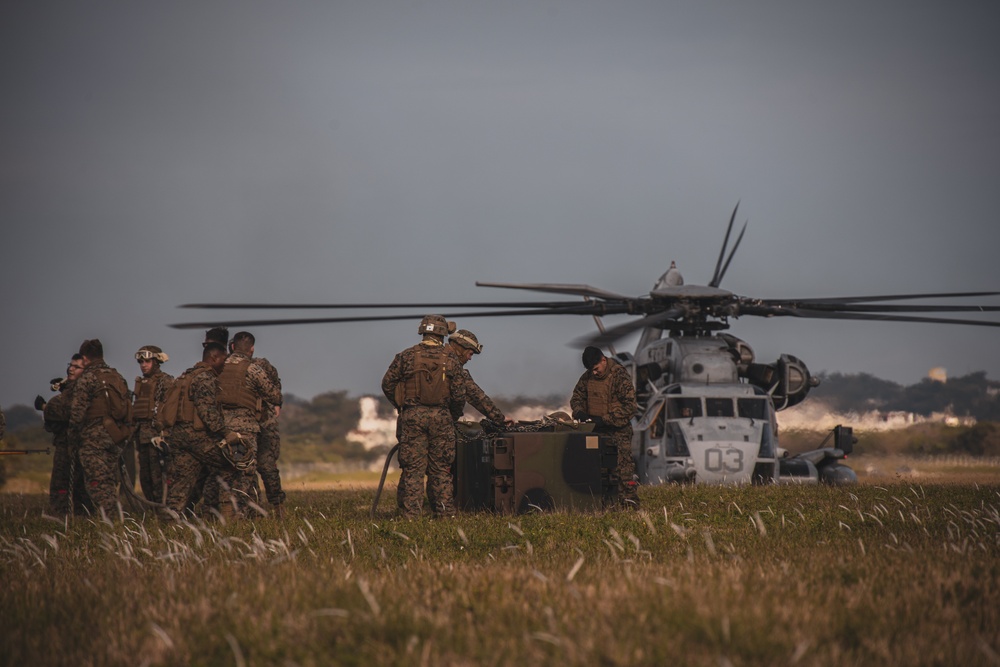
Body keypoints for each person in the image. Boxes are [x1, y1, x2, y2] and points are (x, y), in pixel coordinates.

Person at [382, 314, 466, 519]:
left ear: (423, 331)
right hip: (441, 418)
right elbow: (459, 394)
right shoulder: (451, 359)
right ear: (443, 334)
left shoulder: (406, 356)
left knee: (413, 470)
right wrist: (450, 415)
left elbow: (387, 384)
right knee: (441, 470)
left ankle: (411, 517)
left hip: (412, 417)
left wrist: (402, 406)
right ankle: (445, 516)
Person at [161, 342, 244, 519]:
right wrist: (226, 433)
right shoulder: (206, 377)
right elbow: (207, 412)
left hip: (179, 437)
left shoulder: (187, 376)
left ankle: (170, 522)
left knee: (181, 483)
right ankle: (225, 514)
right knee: (232, 463)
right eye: (223, 359)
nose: (225, 363)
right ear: (213, 358)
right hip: (197, 437)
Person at [217, 331, 283, 518]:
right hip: (246, 428)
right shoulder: (253, 369)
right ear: (251, 349)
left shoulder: (217, 367)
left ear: (232, 347)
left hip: (220, 429)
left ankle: (226, 514)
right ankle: (242, 515)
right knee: (245, 473)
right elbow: (275, 395)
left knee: (226, 472)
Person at [570, 346, 640, 508]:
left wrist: (605, 420)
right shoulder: (588, 377)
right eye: (591, 370)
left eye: (596, 369)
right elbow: (576, 397)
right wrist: (579, 412)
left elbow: (630, 407)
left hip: (618, 433)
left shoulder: (619, 376)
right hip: (595, 432)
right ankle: (602, 505)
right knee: (596, 471)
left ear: (603, 360)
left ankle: (629, 505)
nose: (594, 373)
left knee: (623, 472)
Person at [68, 339, 132, 517]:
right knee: (109, 481)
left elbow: (77, 414)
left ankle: (112, 520)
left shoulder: (87, 378)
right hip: (115, 438)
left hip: (93, 440)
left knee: (97, 483)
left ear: (85, 358)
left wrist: (72, 440)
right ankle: (114, 516)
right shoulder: (117, 376)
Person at [38, 355, 93, 515]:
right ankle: (67, 516)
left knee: (67, 484)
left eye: (76, 367)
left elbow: (65, 411)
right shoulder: (68, 388)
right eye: (71, 365)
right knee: (64, 486)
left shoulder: (83, 391)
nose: (71, 369)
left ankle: (69, 517)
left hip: (76, 444)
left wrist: (44, 407)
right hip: (64, 442)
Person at [132, 345, 175, 502]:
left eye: (147, 361)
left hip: (158, 438)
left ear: (156, 361)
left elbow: (170, 410)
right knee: (145, 478)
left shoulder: (166, 381)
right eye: (141, 361)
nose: (143, 364)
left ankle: (164, 509)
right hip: (142, 437)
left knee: (160, 478)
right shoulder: (141, 383)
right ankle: (152, 508)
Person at [445, 329, 507, 425]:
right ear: (461, 348)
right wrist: (500, 419)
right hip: (441, 426)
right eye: (470, 354)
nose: (469, 358)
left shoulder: (415, 357)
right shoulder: (457, 371)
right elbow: (477, 398)